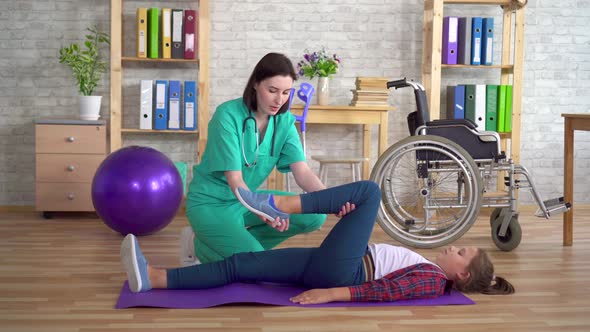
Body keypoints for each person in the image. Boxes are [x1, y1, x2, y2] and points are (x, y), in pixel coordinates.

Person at [122, 181, 515, 304]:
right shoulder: (432, 269)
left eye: (460, 253)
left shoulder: (432, 280)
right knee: (241, 263)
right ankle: (154, 278)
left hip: (344, 271)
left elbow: (384, 291)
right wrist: (348, 228)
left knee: (370, 193)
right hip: (333, 262)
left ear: (461, 276)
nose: (453, 246)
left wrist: (331, 294)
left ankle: (277, 203)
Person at [181, 52, 351, 266]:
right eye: (272, 90)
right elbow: (235, 180)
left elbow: (303, 172)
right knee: (257, 265)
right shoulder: (227, 116)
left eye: (286, 92)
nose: (279, 100)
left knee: (315, 215)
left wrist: (333, 200)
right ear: (255, 84)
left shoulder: (284, 122)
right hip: (211, 203)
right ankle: (200, 245)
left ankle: (242, 250)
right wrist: (262, 208)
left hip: (245, 201)